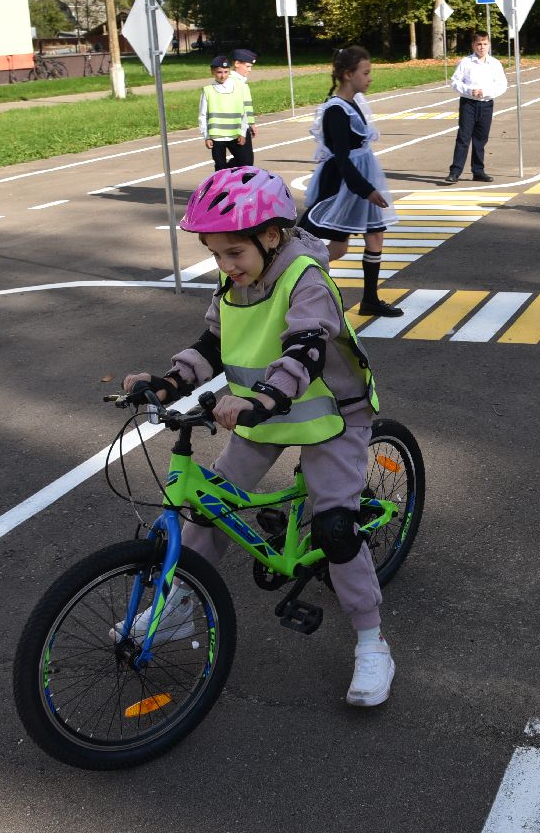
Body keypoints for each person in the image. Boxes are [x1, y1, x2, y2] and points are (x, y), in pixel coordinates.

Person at [120, 166, 396, 706]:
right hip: (263, 412)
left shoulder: (306, 278)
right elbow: (214, 342)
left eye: (233, 254)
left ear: (272, 237)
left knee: (336, 526)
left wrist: (263, 397)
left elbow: (306, 348)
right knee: (209, 505)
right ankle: (176, 607)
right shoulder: (239, 277)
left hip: (330, 415)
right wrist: (170, 380)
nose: (224, 266)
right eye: (215, 254)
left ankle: (372, 643)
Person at [302, 46, 403, 317]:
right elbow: (343, 159)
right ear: (348, 74)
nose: (370, 78)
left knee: (374, 236)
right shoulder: (336, 110)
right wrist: (366, 190)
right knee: (334, 247)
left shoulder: (354, 102)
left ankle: (370, 299)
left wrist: (368, 186)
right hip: (341, 184)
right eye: (365, 72)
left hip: (361, 179)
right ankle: (292, 280)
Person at [445, 31, 508, 183]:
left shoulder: (495, 64)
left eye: (485, 44)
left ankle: (478, 171)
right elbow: (455, 82)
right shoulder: (466, 62)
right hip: (468, 104)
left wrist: (485, 92)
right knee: (464, 138)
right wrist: (469, 90)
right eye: (478, 44)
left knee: (481, 139)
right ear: (473, 45)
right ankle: (455, 171)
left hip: (486, 104)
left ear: (489, 45)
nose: (482, 47)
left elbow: (501, 85)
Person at [197, 55, 254, 169]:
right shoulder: (208, 90)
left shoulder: (237, 88)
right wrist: (206, 136)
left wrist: (243, 133)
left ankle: (232, 181)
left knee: (246, 162)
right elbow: (203, 116)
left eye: (226, 72)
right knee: (220, 166)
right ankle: (220, 185)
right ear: (213, 72)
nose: (223, 75)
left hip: (234, 135)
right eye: (219, 72)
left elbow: (243, 113)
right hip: (217, 137)